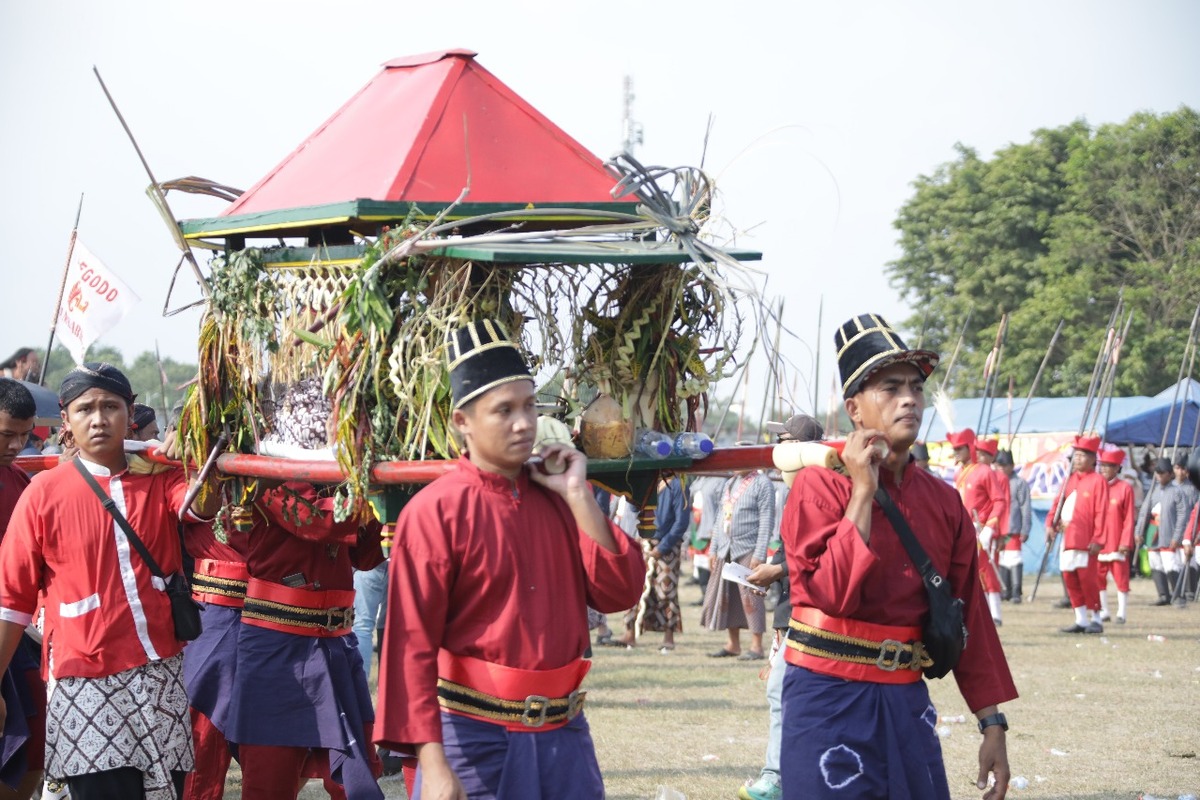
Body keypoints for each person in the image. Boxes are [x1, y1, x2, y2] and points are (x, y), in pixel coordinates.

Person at [374, 319, 646, 800]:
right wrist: (433, 764)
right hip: (474, 740)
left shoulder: (557, 496)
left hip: (566, 738)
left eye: (528, 405)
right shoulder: (435, 512)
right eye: (504, 410)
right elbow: (408, 650)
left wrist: (579, 495)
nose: (524, 423)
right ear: (463, 421)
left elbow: (619, 593)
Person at [779, 314, 1016, 800]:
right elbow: (832, 594)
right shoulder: (818, 486)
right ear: (856, 409)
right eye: (890, 387)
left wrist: (992, 722)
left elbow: (967, 611)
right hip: (826, 699)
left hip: (907, 701)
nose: (909, 398)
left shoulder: (944, 501)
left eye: (915, 387)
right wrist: (862, 492)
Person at [0, 362, 220, 799]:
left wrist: (197, 448)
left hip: (160, 671)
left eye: (110, 406)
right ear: (66, 421)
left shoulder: (161, 477)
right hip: (83, 678)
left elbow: (203, 506)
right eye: (85, 409)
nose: (98, 419)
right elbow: (12, 600)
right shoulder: (42, 493)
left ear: (130, 412)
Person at [222, 398, 386, 799]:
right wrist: (374, 484)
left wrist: (384, 496)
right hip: (276, 648)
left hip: (335, 644)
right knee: (269, 782)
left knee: (355, 782)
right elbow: (320, 522)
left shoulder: (341, 477)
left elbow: (365, 556)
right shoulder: (262, 471)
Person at [741, 414, 823, 800]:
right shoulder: (793, 490)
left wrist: (778, 569)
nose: (778, 448)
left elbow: (825, 554)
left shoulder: (824, 490)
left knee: (786, 692)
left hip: (816, 612)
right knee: (786, 692)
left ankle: (779, 776)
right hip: (793, 609)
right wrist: (768, 568)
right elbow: (789, 547)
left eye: (786, 440)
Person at [0, 380, 43, 800]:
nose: (16, 444)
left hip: (18, 634)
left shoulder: (23, 484)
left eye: (24, 434)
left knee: (36, 731)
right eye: (6, 434)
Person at [700, 457, 776, 661]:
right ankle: (733, 644)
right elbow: (719, 519)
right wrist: (713, 549)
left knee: (752, 597)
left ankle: (757, 646)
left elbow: (766, 520)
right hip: (726, 549)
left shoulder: (762, 483)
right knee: (728, 597)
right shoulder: (730, 483)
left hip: (749, 549)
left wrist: (760, 554)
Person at [615, 476, 689, 652]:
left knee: (666, 591)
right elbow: (633, 508)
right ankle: (630, 633)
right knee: (635, 588)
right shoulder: (645, 482)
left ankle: (668, 637)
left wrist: (663, 547)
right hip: (642, 542)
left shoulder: (678, 485)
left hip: (667, 546)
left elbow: (681, 521)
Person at [1046, 435, 1108, 633]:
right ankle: (1080, 618)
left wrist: (1098, 538)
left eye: (1082, 456)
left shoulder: (1098, 481)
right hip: (1068, 539)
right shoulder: (1069, 481)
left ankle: (1096, 618)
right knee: (1070, 578)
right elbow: (1057, 505)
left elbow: (1102, 512)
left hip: (1086, 540)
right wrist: (1050, 524)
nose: (1078, 459)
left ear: (1092, 459)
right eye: (1076, 456)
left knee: (1088, 580)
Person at [947, 429, 1005, 625]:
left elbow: (999, 501)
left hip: (981, 528)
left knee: (985, 571)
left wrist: (990, 527)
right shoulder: (959, 474)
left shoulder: (985, 471)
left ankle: (995, 613)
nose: (956, 452)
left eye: (959, 448)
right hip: (962, 529)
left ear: (969, 448)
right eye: (954, 449)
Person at [1095, 445, 1135, 623]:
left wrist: (1125, 541)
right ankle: (1103, 610)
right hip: (1099, 541)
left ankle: (1122, 612)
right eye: (1101, 465)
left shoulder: (1125, 488)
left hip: (1117, 541)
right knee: (1098, 578)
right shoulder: (1097, 486)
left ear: (1117, 468)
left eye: (1108, 465)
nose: (1103, 469)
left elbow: (1129, 518)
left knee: (1121, 578)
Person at [1135, 458, 1178, 606]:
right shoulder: (1153, 491)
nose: (1159, 475)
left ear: (1170, 474)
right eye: (1157, 472)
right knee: (1155, 563)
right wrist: (1139, 532)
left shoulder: (1177, 492)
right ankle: (1163, 595)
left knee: (1170, 564)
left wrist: (1179, 536)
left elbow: (1183, 515)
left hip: (1170, 531)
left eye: (1162, 472)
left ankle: (1178, 596)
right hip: (1153, 530)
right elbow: (1144, 513)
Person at [995, 450, 1031, 603]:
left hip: (1013, 527)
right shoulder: (994, 481)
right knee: (1002, 559)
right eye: (999, 465)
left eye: (1005, 465)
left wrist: (1025, 528)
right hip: (997, 529)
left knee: (1014, 559)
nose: (1002, 468)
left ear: (1012, 466)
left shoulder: (1019, 483)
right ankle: (1005, 590)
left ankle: (1016, 591)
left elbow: (1025, 507)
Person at [1167, 452, 1199, 604]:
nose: (1180, 472)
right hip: (1173, 529)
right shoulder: (1169, 488)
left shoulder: (1193, 488)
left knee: (1191, 562)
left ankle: (1190, 590)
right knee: (1175, 563)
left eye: (1183, 468)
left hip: (1190, 529)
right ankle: (1177, 592)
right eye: (1177, 468)